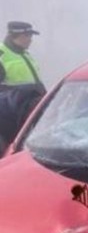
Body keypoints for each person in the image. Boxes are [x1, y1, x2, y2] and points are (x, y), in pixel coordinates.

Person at [0, 21, 46, 150]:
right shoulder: (1, 55)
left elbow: (35, 82)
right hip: (12, 116)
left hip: (32, 110)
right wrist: (22, 92)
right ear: (15, 35)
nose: (30, 40)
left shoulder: (25, 54)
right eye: (27, 36)